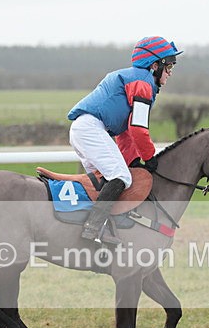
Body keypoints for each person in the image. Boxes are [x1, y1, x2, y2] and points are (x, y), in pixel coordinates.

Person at [67, 36, 182, 245]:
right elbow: (138, 129)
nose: (170, 72)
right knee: (121, 176)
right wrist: (149, 157)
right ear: (154, 65)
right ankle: (92, 229)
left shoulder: (138, 80)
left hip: (87, 129)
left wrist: (134, 160)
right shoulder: (143, 83)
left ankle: (94, 228)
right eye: (169, 66)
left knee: (105, 182)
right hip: (90, 129)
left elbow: (126, 132)